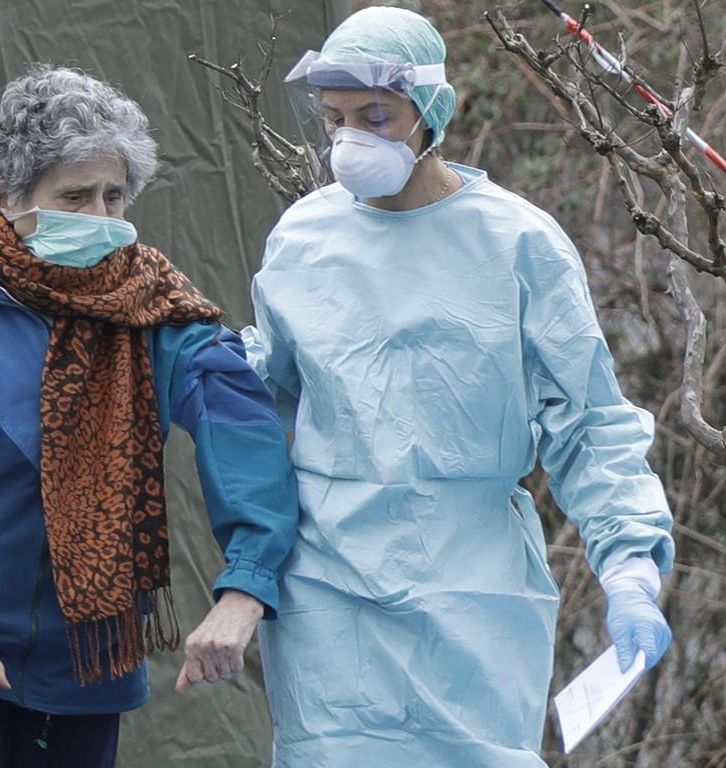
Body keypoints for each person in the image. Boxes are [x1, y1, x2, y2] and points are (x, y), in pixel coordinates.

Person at [0, 64, 298, 768]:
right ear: (3, 195)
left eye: (114, 195)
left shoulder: (153, 304)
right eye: (75, 196)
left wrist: (247, 584)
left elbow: (243, 433)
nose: (103, 218)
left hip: (87, 646)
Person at [242, 7, 674, 767]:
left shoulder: (517, 243)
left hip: (474, 585)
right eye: (335, 117)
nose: (349, 139)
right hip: (329, 584)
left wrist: (630, 563)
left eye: (375, 116)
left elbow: (587, 420)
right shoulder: (304, 237)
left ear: (432, 111)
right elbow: (263, 388)